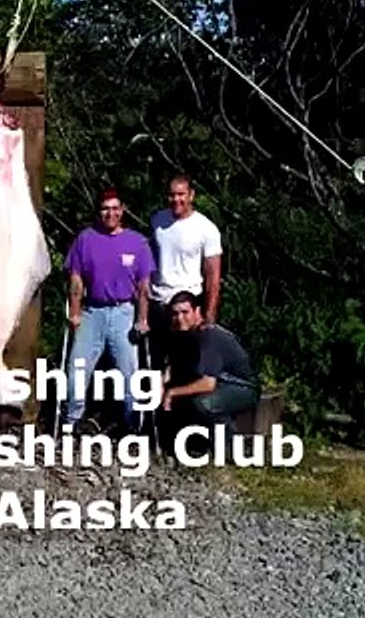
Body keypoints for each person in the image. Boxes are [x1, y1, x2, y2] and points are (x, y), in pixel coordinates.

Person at [60, 187, 155, 433]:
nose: (110, 214)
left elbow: (144, 285)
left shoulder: (137, 242)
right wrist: (75, 312)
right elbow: (76, 278)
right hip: (93, 312)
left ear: (122, 210)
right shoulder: (86, 238)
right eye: (105, 209)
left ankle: (132, 426)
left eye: (115, 208)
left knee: (128, 374)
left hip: (123, 312)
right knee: (77, 369)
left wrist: (142, 318)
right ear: (99, 211)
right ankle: (71, 422)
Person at [159, 291, 260, 453]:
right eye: (175, 314)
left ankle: (229, 447)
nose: (180, 319)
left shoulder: (208, 336)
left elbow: (208, 384)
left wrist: (172, 393)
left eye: (185, 312)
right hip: (219, 381)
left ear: (197, 311)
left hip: (241, 386)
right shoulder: (185, 335)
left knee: (203, 403)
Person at [147, 173, 223, 371]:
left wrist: (209, 316)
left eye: (181, 194)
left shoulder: (206, 229)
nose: (176, 200)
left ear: (191, 195)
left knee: (187, 363)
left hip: (187, 306)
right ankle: (158, 400)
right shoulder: (157, 220)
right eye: (172, 195)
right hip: (159, 303)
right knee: (155, 363)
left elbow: (213, 277)